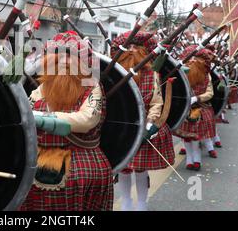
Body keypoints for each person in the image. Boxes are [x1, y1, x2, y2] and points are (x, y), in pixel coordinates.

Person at [19, 31, 113, 211]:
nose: (63, 60)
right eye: (58, 55)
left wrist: (45, 118)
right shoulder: (44, 86)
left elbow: (88, 119)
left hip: (80, 157)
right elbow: (27, 109)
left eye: (70, 56)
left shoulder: (91, 86)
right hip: (40, 156)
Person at [111, 31, 174, 211]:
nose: (132, 51)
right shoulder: (116, 71)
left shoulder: (151, 74)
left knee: (140, 169)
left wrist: (150, 124)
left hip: (143, 128)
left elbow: (156, 102)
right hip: (121, 129)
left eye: (136, 48)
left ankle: (141, 204)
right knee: (123, 168)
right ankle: (126, 203)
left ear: (144, 51)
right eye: (128, 47)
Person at [177, 45, 217, 170]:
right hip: (185, 110)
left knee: (195, 138)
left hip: (201, 108)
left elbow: (210, 93)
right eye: (191, 58)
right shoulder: (182, 75)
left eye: (196, 58)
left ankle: (197, 159)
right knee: (186, 137)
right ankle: (189, 159)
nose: (193, 61)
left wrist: (197, 98)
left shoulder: (206, 75)